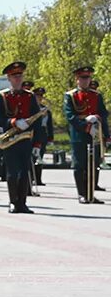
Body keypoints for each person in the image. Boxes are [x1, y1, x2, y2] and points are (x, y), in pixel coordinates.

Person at [0, 62, 46, 213]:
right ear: (9, 78)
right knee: (12, 171)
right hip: (10, 140)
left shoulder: (30, 96)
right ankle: (13, 202)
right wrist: (13, 122)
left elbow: (37, 121)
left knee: (24, 170)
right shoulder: (2, 97)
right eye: (14, 77)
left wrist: (37, 143)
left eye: (20, 76)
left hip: (26, 139)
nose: (18, 79)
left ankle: (23, 202)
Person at [62, 66, 108, 204]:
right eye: (83, 78)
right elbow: (70, 116)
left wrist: (104, 131)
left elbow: (104, 113)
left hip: (94, 133)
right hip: (79, 134)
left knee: (93, 165)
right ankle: (82, 194)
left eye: (88, 77)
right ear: (77, 79)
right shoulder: (71, 96)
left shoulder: (96, 95)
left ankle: (90, 193)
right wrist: (86, 125)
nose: (86, 80)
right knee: (79, 165)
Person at [32, 85, 53, 190]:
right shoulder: (31, 109)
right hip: (33, 132)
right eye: (37, 96)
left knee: (40, 156)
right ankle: (31, 177)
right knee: (32, 156)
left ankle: (38, 178)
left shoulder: (46, 110)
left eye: (41, 96)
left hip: (43, 132)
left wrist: (50, 137)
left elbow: (49, 124)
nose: (39, 98)